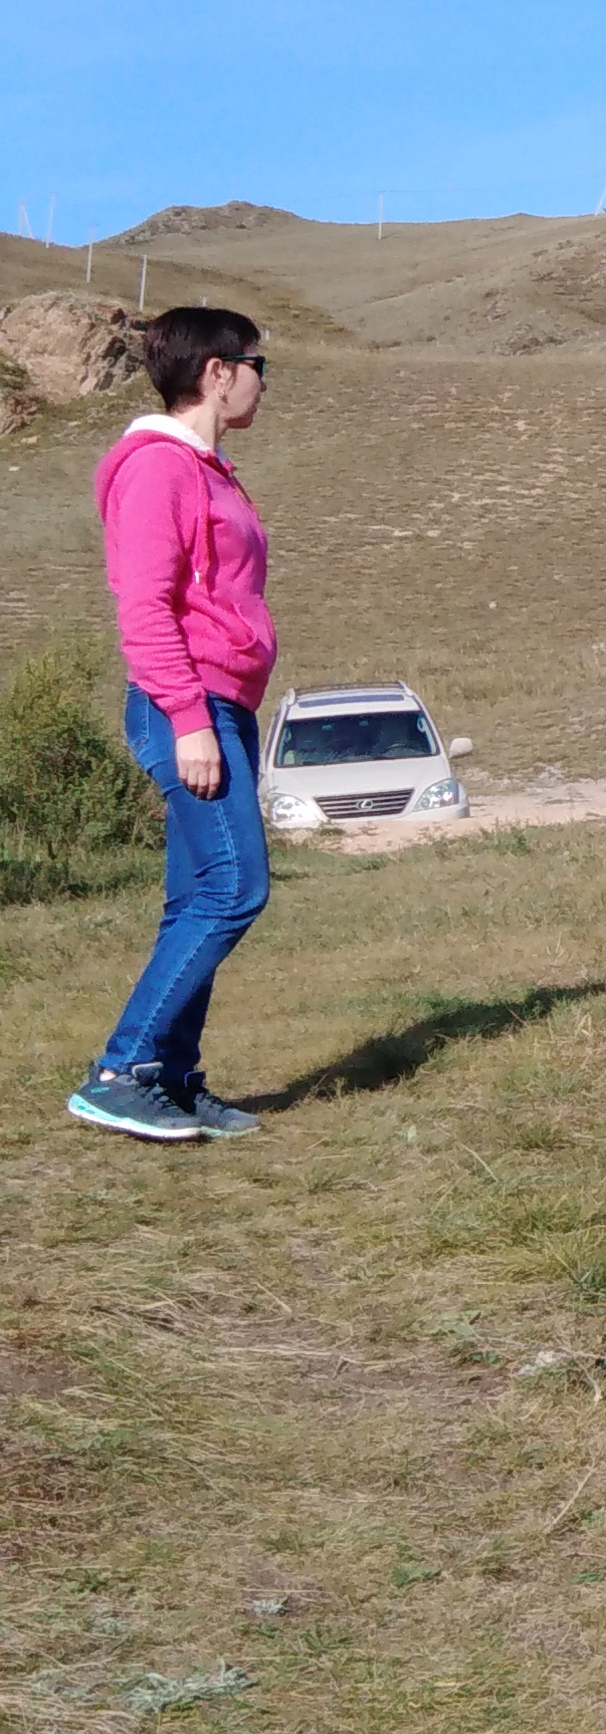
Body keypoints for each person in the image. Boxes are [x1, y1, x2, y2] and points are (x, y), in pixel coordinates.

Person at [68, 307, 278, 1143]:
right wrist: (189, 720)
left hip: (222, 704)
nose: (264, 382)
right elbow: (145, 607)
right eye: (259, 365)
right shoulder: (159, 467)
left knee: (196, 895)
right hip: (185, 704)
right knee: (235, 888)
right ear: (218, 372)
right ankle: (119, 1072)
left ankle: (173, 1080)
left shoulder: (208, 470)